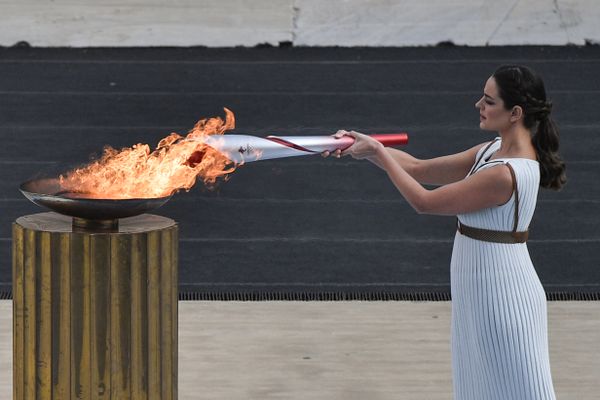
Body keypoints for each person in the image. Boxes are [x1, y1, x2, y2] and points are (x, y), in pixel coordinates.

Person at [323, 64, 566, 400]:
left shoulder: (506, 173)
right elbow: (417, 168)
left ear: (515, 113)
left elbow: (424, 201)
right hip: (478, 287)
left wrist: (378, 151)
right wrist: (362, 147)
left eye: (488, 100)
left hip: (504, 294)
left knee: (520, 388)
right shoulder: (489, 152)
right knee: (479, 386)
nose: (478, 105)